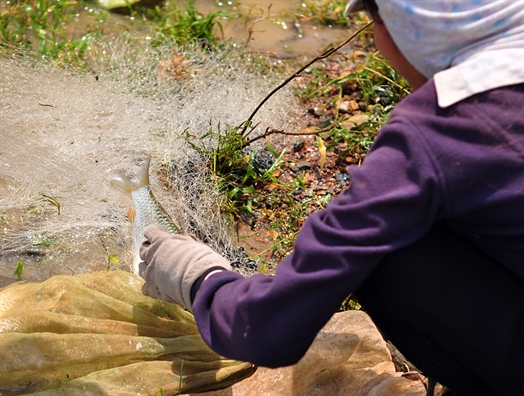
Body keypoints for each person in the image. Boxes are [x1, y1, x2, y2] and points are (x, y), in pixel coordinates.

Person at [138, 1, 524, 395]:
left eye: (377, 22)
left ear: (410, 27)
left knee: (384, 257)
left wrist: (198, 278)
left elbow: (266, 330)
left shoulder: (441, 128)